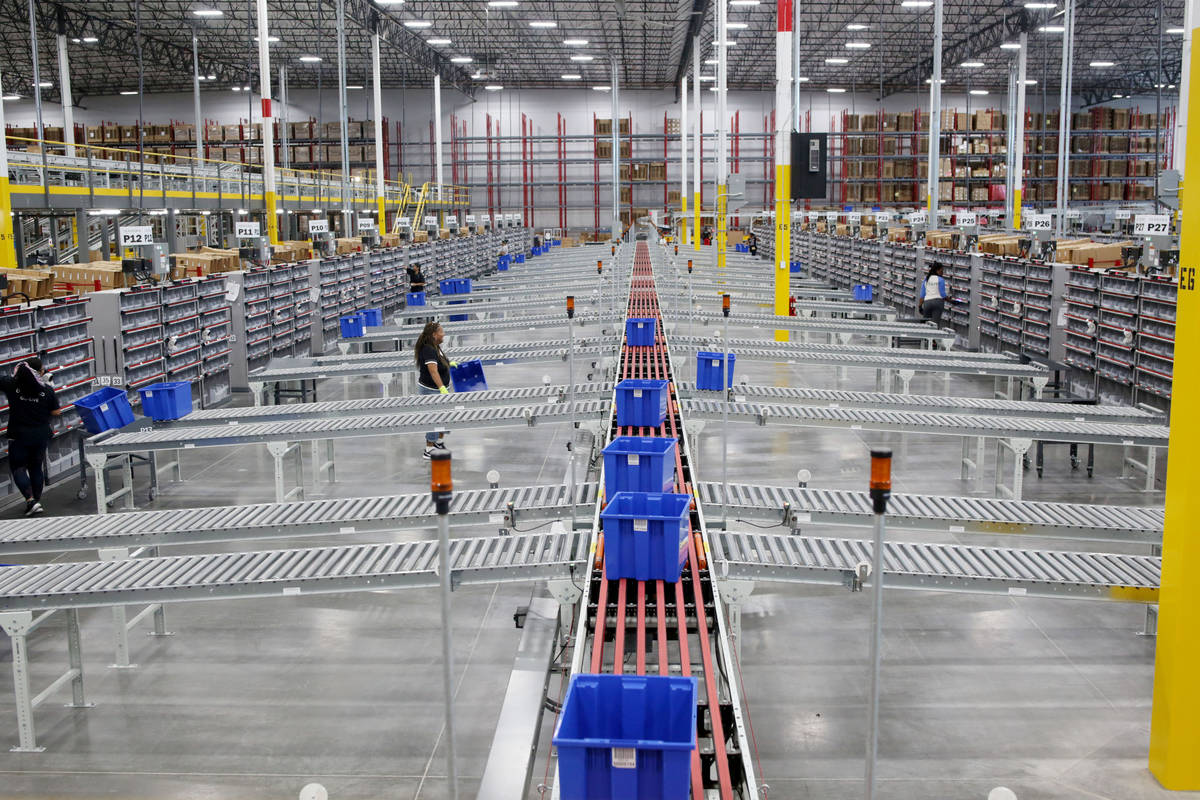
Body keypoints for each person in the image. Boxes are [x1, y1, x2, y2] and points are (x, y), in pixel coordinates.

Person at [0, 358, 61, 515]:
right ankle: (36, 502)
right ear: (37, 373)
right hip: (40, 435)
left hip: (19, 435)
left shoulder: (12, 385)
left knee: (18, 467)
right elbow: (56, 412)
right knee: (36, 467)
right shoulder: (46, 390)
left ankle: (30, 501)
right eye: (42, 370)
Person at [414, 321, 454, 459]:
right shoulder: (428, 349)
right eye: (441, 332)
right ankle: (428, 449)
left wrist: (449, 364)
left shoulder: (436, 346)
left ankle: (438, 442)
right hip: (431, 390)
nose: (443, 334)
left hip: (440, 389)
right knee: (433, 418)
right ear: (434, 334)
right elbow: (433, 371)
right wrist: (441, 387)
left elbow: (441, 361)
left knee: (444, 416)